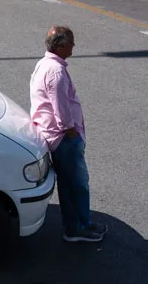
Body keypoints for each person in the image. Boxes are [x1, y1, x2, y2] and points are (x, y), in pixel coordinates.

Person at [30, 26, 108, 243]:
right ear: (62, 45)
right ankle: (76, 228)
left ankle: (83, 222)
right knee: (76, 184)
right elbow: (61, 108)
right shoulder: (55, 71)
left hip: (58, 135)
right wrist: (71, 132)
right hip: (63, 138)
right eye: (72, 43)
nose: (74, 46)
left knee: (71, 183)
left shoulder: (46, 64)